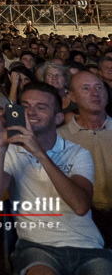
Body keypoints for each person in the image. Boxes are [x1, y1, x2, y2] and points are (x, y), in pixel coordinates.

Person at [0, 80, 112, 275]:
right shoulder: (12, 152)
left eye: (41, 107)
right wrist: (0, 147)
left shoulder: (78, 153)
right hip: (37, 247)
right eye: (25, 107)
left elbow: (80, 206)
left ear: (58, 117)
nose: (31, 113)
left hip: (87, 246)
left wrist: (40, 154)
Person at [58, 70, 112, 243]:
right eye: (86, 88)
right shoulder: (60, 138)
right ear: (72, 96)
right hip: (80, 221)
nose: (95, 93)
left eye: (99, 87)